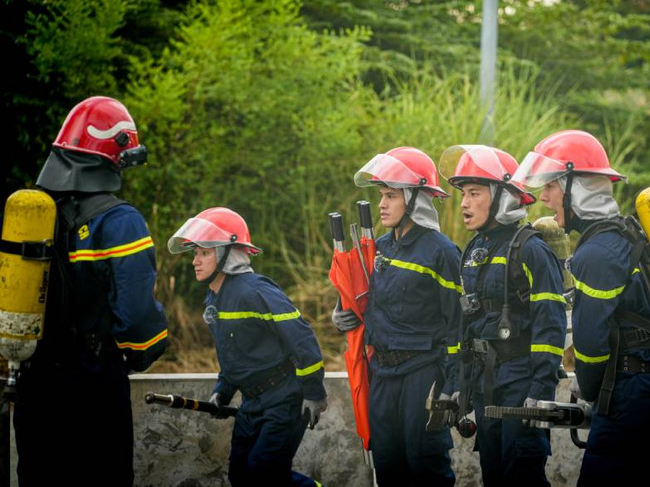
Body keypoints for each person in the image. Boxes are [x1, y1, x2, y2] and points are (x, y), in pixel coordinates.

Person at [13, 96, 169, 485]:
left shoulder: (29, 218)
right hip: (93, 389)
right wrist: (142, 353)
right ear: (114, 154)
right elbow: (136, 317)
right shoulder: (119, 221)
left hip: (33, 387)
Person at [513, 130, 650, 485]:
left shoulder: (596, 253)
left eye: (551, 186)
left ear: (577, 189)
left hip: (630, 394)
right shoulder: (620, 236)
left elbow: (590, 345)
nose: (543, 197)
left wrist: (588, 390)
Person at [168, 206, 327, 486]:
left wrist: (314, 392)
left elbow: (302, 337)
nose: (195, 261)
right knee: (241, 476)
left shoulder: (255, 290)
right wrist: (222, 392)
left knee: (263, 473)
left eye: (204, 253)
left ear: (228, 254)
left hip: (283, 399)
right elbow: (233, 355)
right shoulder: (214, 298)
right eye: (195, 253)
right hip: (251, 402)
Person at [438, 145, 568, 487]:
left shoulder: (531, 249)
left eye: (474, 193)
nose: (464, 203)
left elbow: (551, 323)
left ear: (503, 197)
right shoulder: (474, 250)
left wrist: (541, 389)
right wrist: (459, 385)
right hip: (486, 387)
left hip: (521, 385)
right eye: (463, 194)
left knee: (522, 475)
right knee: (494, 475)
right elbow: (467, 324)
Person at [332, 146, 462, 486]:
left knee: (425, 464)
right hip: (382, 374)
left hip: (423, 372)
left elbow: (457, 325)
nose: (382, 204)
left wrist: (453, 385)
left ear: (415, 198)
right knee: (387, 465)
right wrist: (340, 313)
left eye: (391, 195)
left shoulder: (442, 252)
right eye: (381, 196)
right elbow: (362, 297)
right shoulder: (378, 248)